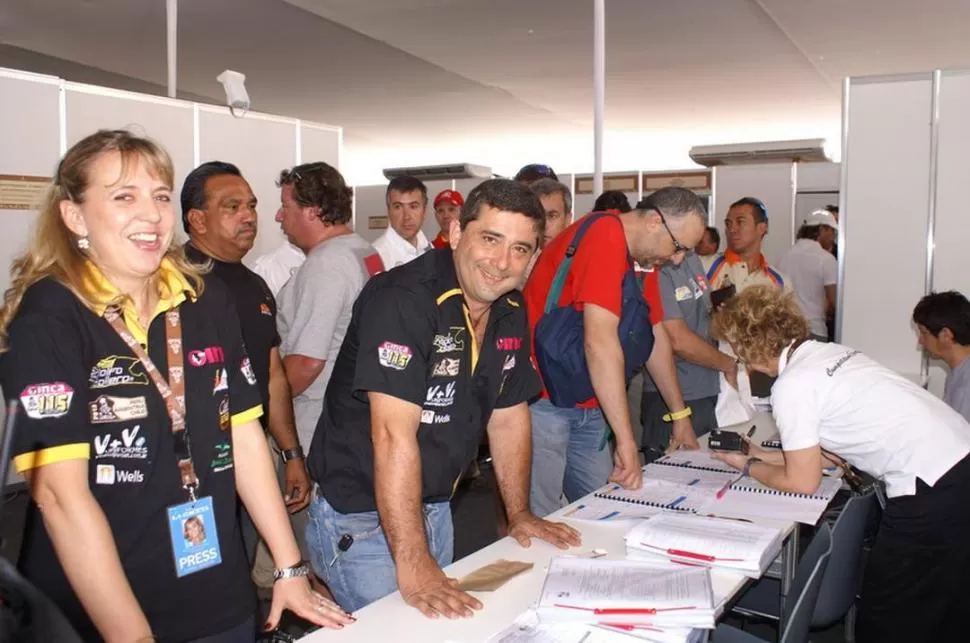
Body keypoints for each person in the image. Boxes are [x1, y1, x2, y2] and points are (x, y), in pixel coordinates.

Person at [0, 130, 351, 642]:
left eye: (160, 196)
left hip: (217, 590)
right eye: (124, 196)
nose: (152, 214)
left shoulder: (205, 299)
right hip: (101, 608)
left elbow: (245, 437)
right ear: (75, 215)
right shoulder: (51, 316)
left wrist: (290, 565)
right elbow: (59, 497)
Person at [305, 178, 581, 615]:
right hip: (363, 521)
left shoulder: (510, 307)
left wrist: (520, 514)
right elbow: (394, 436)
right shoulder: (404, 299)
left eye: (520, 249)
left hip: (435, 509)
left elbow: (508, 417)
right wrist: (413, 562)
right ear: (455, 233)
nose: (502, 262)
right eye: (490, 239)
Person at [710, 286, 970, 643]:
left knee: (890, 611)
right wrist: (761, 455)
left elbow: (803, 482)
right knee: (942, 600)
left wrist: (746, 467)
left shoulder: (792, 384)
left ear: (746, 347)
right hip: (957, 460)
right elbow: (831, 446)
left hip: (930, 486)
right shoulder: (827, 354)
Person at [523, 187, 707, 517]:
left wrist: (680, 416)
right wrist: (626, 441)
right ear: (654, 221)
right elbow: (600, 342)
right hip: (547, 399)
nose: (678, 259)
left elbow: (655, 333)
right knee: (542, 518)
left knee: (601, 511)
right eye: (679, 248)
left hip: (591, 401)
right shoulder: (605, 235)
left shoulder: (642, 260)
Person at [181, 161, 312, 590]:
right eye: (232, 206)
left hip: (252, 451)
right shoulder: (173, 283)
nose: (249, 215)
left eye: (252, 205)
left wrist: (290, 454)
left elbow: (272, 375)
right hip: (193, 465)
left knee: (245, 565)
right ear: (197, 219)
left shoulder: (255, 286)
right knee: (201, 574)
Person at [274, 162, 376, 452]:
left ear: (313, 211)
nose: (279, 216)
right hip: (350, 420)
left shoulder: (326, 264)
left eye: (285, 205)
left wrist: (265, 414)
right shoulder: (363, 250)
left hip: (316, 428)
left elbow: (307, 362)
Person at [641, 249, 737, 452]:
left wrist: (719, 310)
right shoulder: (655, 268)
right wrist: (728, 365)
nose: (679, 255)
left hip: (707, 389)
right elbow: (677, 340)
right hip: (675, 396)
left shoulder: (692, 258)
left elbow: (702, 311)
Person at [706, 197, 790, 293]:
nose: (732, 229)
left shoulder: (780, 283)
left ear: (762, 228)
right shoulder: (706, 268)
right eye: (728, 224)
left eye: (740, 222)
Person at [779, 210, 838, 341]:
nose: (833, 238)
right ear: (822, 229)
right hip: (814, 331)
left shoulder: (786, 256)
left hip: (788, 331)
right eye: (832, 232)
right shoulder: (826, 259)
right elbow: (835, 301)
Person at [913, 290, 970, 422]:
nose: (920, 341)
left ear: (945, 335)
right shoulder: (959, 373)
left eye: (923, 333)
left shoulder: (966, 387)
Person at [372, 175, 431, 269]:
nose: (406, 216)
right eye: (398, 207)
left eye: (413, 206)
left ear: (424, 211)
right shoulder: (376, 256)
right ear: (388, 211)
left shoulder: (429, 248)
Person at [528, 178, 572, 245]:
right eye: (538, 216)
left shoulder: (582, 253)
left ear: (568, 220)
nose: (545, 225)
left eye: (552, 216)